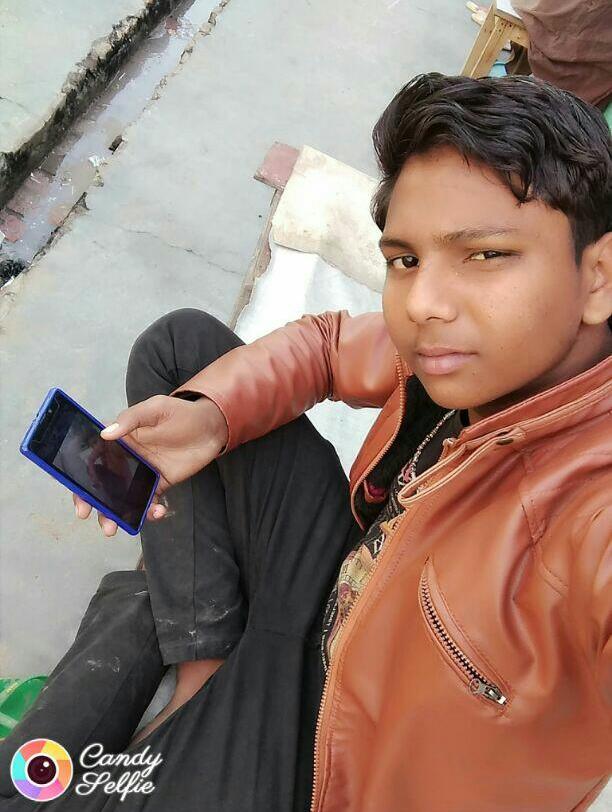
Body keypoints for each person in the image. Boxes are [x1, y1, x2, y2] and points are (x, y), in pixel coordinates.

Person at [0, 71, 610, 811]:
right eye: (405, 260)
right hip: (331, 584)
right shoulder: (468, 352)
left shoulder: (590, 511)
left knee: (27, 789)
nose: (422, 303)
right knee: (181, 351)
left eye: (484, 255)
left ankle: (177, 647)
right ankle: (204, 672)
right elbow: (325, 347)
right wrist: (211, 419)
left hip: (317, 771)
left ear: (598, 277)